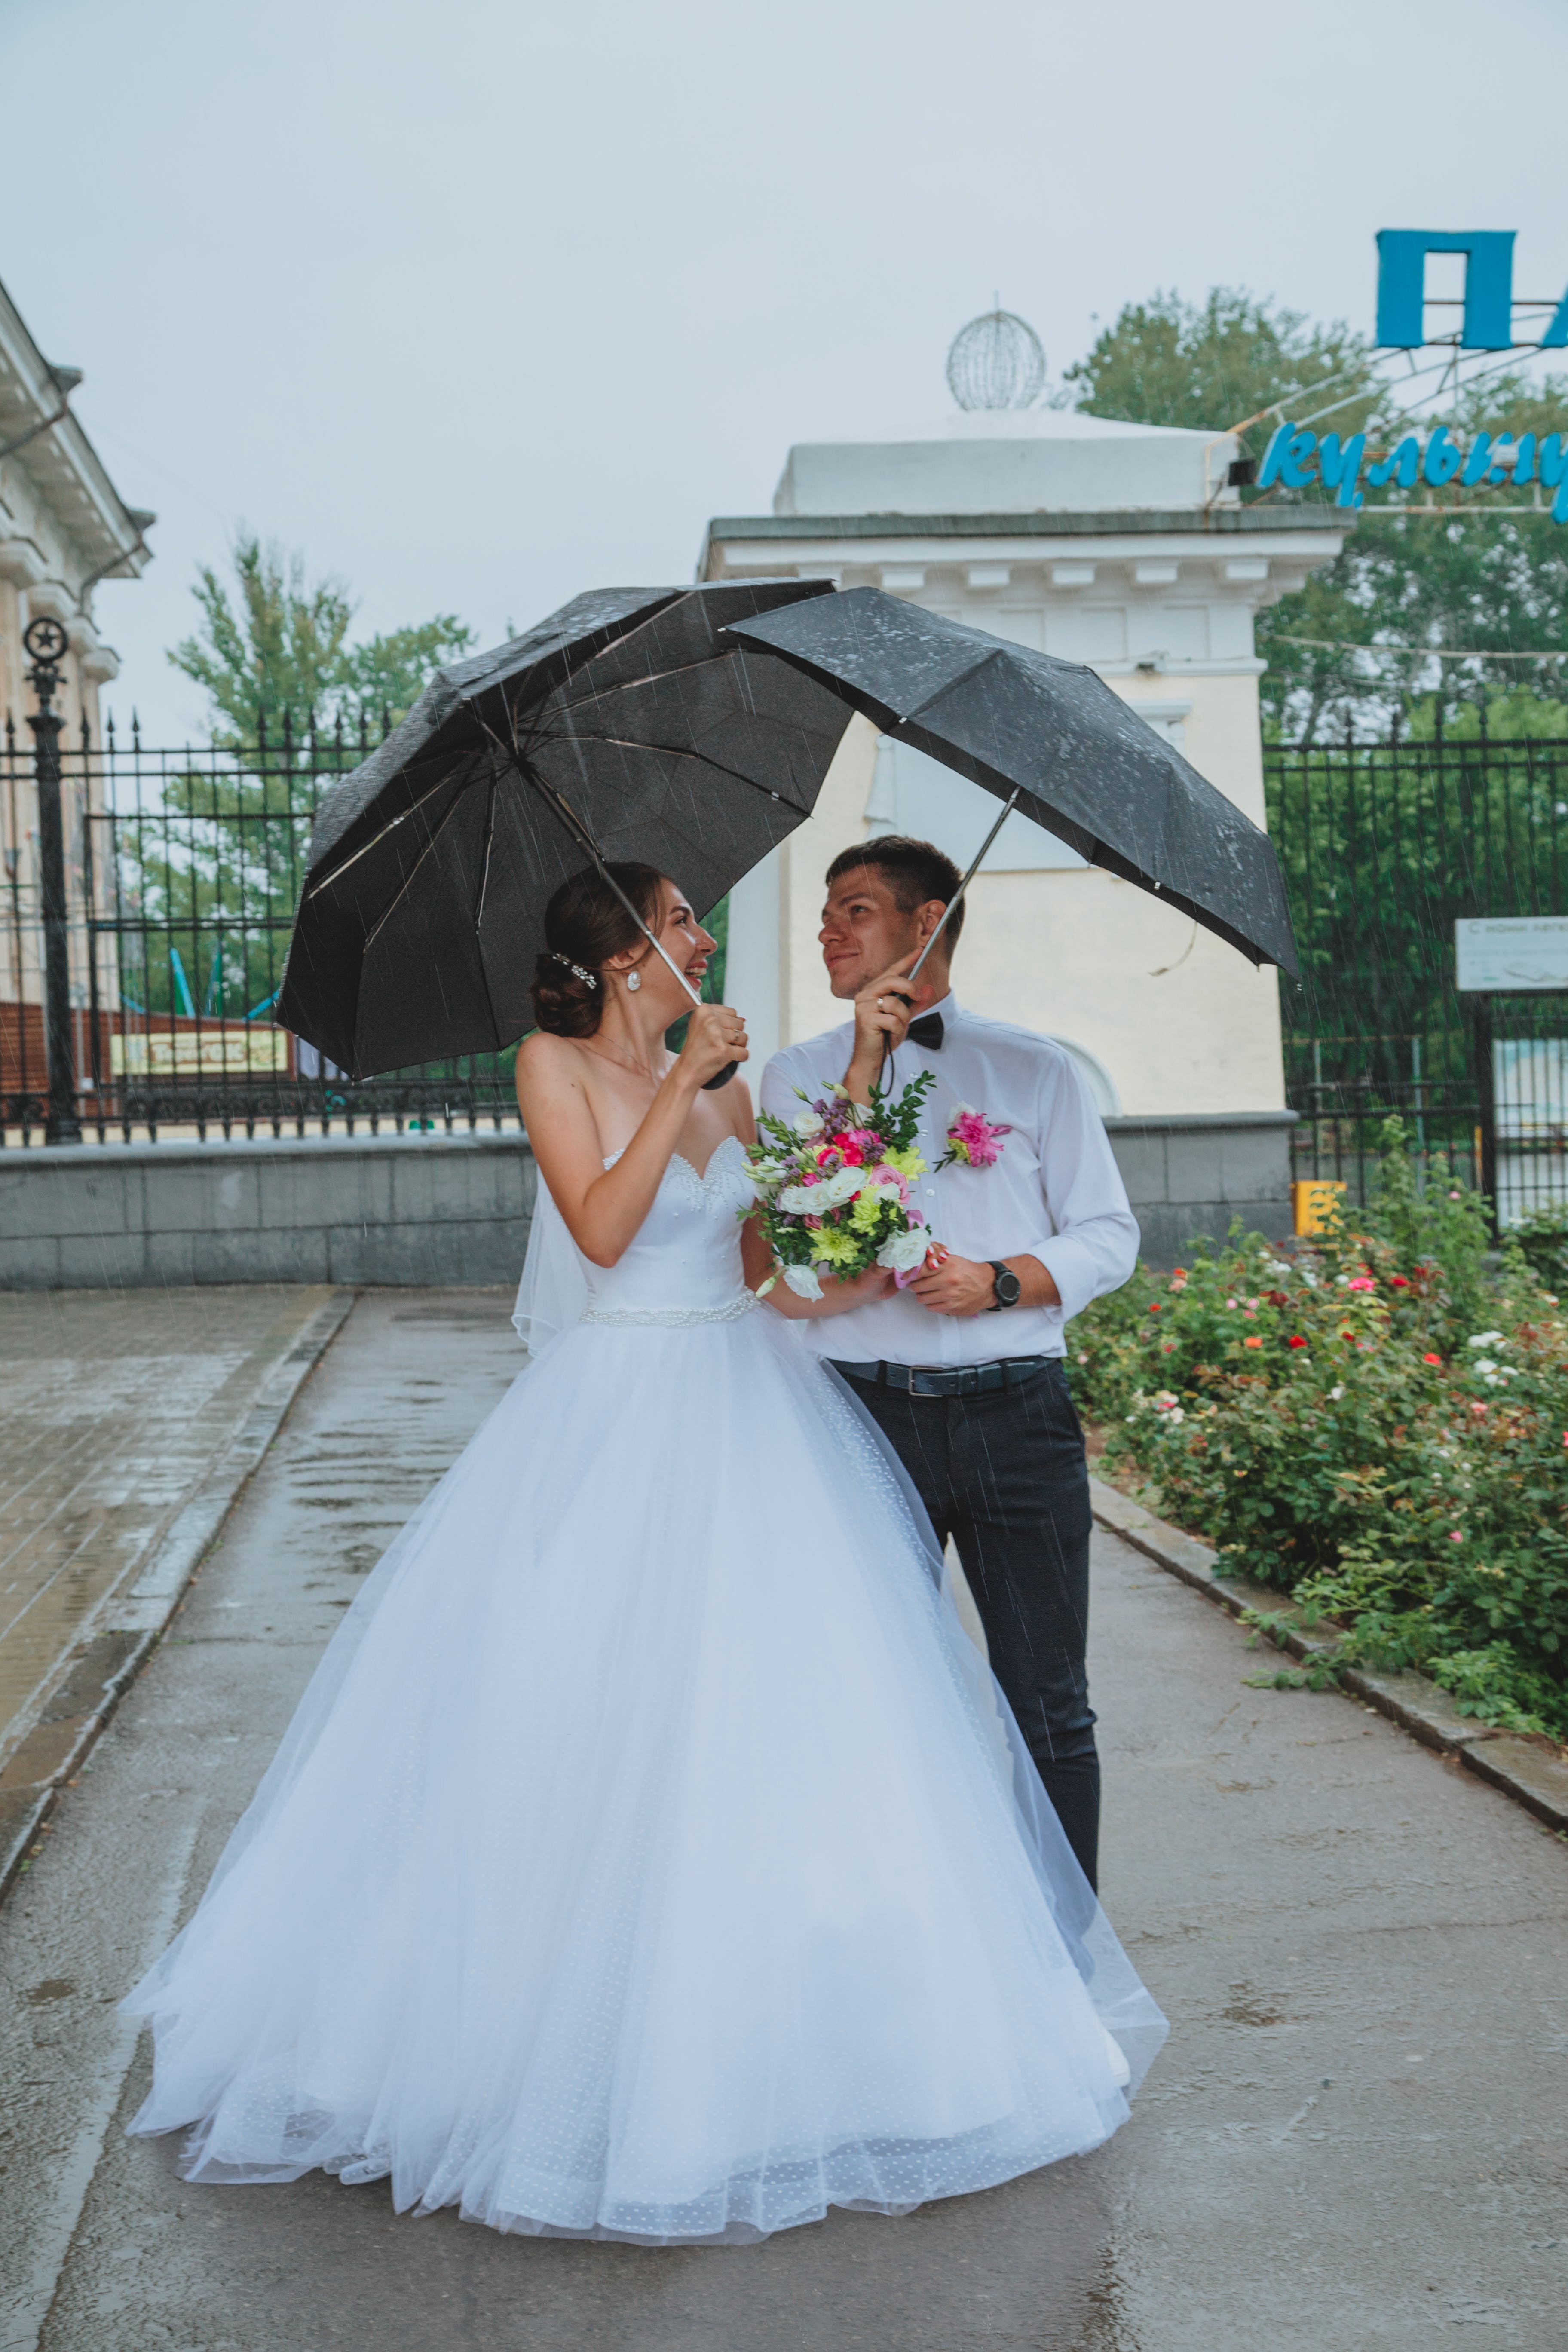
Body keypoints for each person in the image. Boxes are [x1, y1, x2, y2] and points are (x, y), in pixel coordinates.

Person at [121, 861, 1164, 2247]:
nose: (704, 934)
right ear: (624, 957)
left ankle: (824, 2024)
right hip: (620, 1417)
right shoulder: (550, 1064)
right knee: (584, 1714)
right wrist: (686, 1079)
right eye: (679, 920)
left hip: (754, 1408)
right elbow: (605, 1231)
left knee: (797, 1729)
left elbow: (767, 1267)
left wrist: (849, 1157)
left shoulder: (740, 1089)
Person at [761, 836, 1139, 1892]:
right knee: (872, 1696)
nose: (828, 927)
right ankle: (904, 1955)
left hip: (1018, 1418)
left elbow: (1110, 1234)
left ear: (927, 924)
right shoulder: (794, 1081)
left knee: (1047, 1700)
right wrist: (863, 1073)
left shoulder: (1036, 1069)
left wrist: (1002, 1280)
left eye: (857, 909)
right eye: (827, 910)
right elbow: (791, 1257)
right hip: (862, 1421)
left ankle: (1067, 1960)